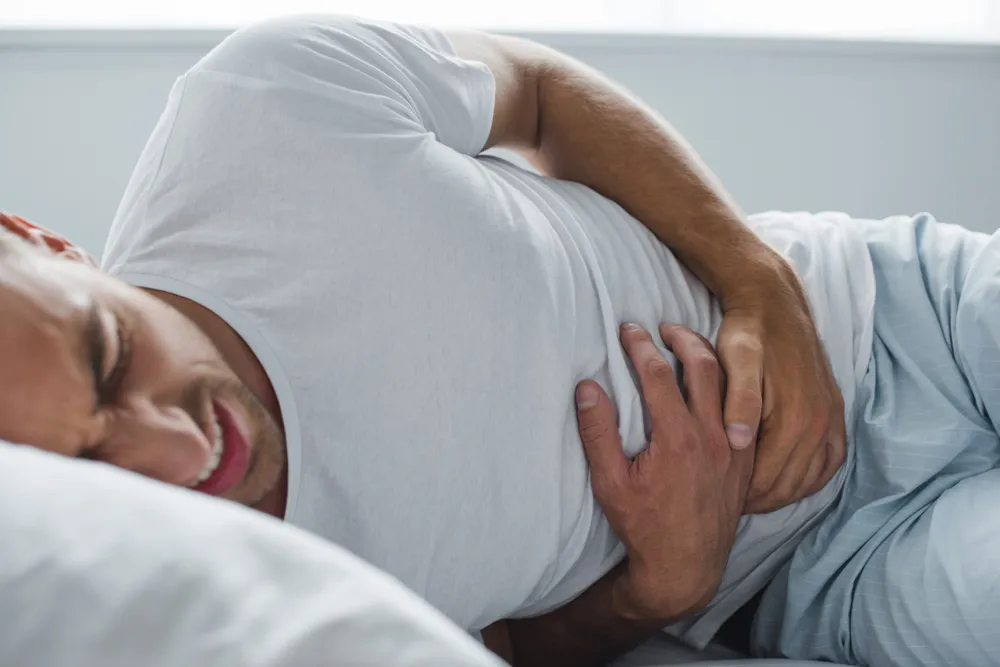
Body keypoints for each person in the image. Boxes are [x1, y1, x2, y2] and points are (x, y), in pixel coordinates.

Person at [0, 14, 996, 667]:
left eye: (111, 357)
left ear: (39, 241)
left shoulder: (263, 105)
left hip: (900, 311)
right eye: (97, 476)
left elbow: (541, 93)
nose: (180, 450)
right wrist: (656, 591)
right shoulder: (226, 615)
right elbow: (502, 645)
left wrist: (753, 279)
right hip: (824, 581)